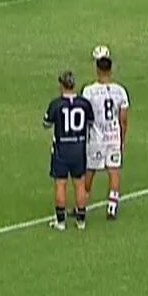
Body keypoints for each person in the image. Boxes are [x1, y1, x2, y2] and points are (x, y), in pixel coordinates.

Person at [82, 47, 131, 220]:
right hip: (113, 137)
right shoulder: (120, 91)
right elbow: (123, 119)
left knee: (90, 170)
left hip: (96, 137)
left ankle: (82, 205)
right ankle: (112, 207)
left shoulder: (88, 91)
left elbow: (85, 116)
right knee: (114, 171)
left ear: (97, 69)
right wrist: (122, 139)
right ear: (110, 69)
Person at [43, 71, 95, 230]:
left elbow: (46, 123)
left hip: (62, 148)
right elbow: (90, 122)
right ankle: (81, 221)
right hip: (79, 147)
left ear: (61, 85)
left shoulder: (56, 104)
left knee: (60, 183)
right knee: (79, 184)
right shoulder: (84, 103)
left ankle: (60, 222)